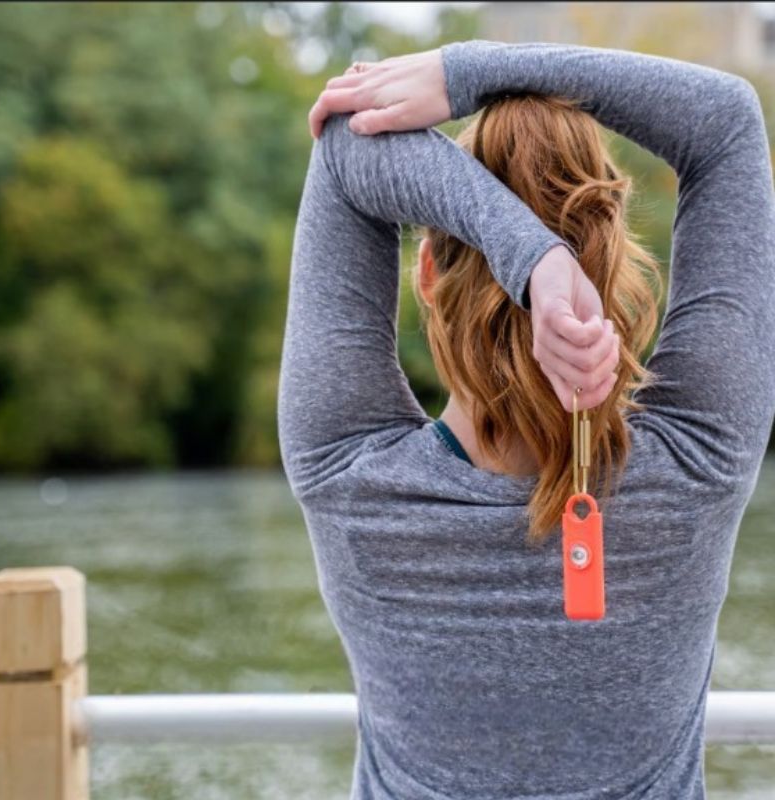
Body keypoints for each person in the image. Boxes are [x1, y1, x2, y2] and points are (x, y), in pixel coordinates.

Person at [278, 40, 775, 800]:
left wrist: (528, 257)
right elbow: (727, 123)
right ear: (611, 271)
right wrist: (465, 74)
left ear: (427, 277)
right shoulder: (702, 463)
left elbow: (346, 141)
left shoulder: (347, 474)